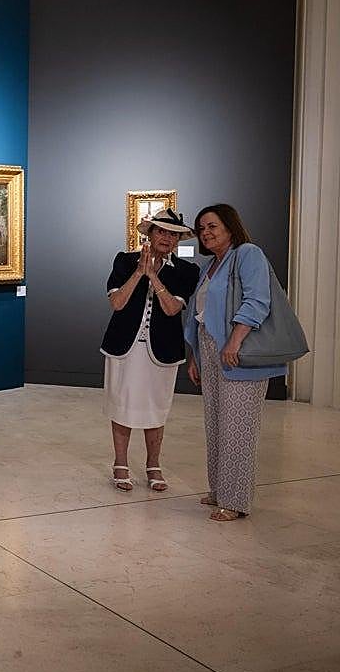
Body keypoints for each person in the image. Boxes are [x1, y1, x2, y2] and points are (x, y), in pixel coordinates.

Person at [185, 204, 286, 521]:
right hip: (209, 348)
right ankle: (219, 491)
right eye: (202, 228)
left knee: (238, 427)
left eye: (212, 226)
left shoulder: (248, 253)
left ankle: (236, 500)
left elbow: (258, 299)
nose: (206, 233)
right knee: (215, 422)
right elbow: (200, 314)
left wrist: (236, 339)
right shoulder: (211, 265)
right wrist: (195, 356)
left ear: (230, 226)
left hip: (236, 349)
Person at [101, 209, 199, 492]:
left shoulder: (186, 271)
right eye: (161, 231)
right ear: (150, 234)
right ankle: (121, 463)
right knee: (122, 404)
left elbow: (171, 308)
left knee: (156, 408)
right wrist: (139, 273)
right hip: (124, 347)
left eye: (173, 234)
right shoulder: (124, 261)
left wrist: (154, 277)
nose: (167, 237)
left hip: (163, 349)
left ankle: (153, 465)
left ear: (178, 239)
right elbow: (117, 303)